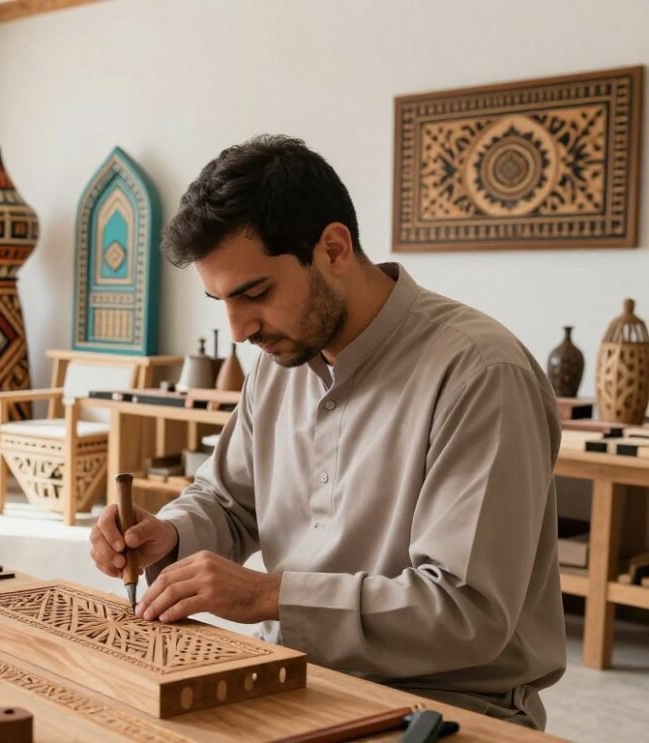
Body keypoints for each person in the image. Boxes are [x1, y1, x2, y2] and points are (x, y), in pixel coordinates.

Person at [88, 135, 566, 729]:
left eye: (254, 293)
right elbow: (229, 504)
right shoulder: (281, 361)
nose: (238, 331)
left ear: (334, 248)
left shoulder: (479, 373)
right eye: (221, 302)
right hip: (282, 674)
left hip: (443, 708)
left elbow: (465, 612)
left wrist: (267, 596)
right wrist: (172, 535)